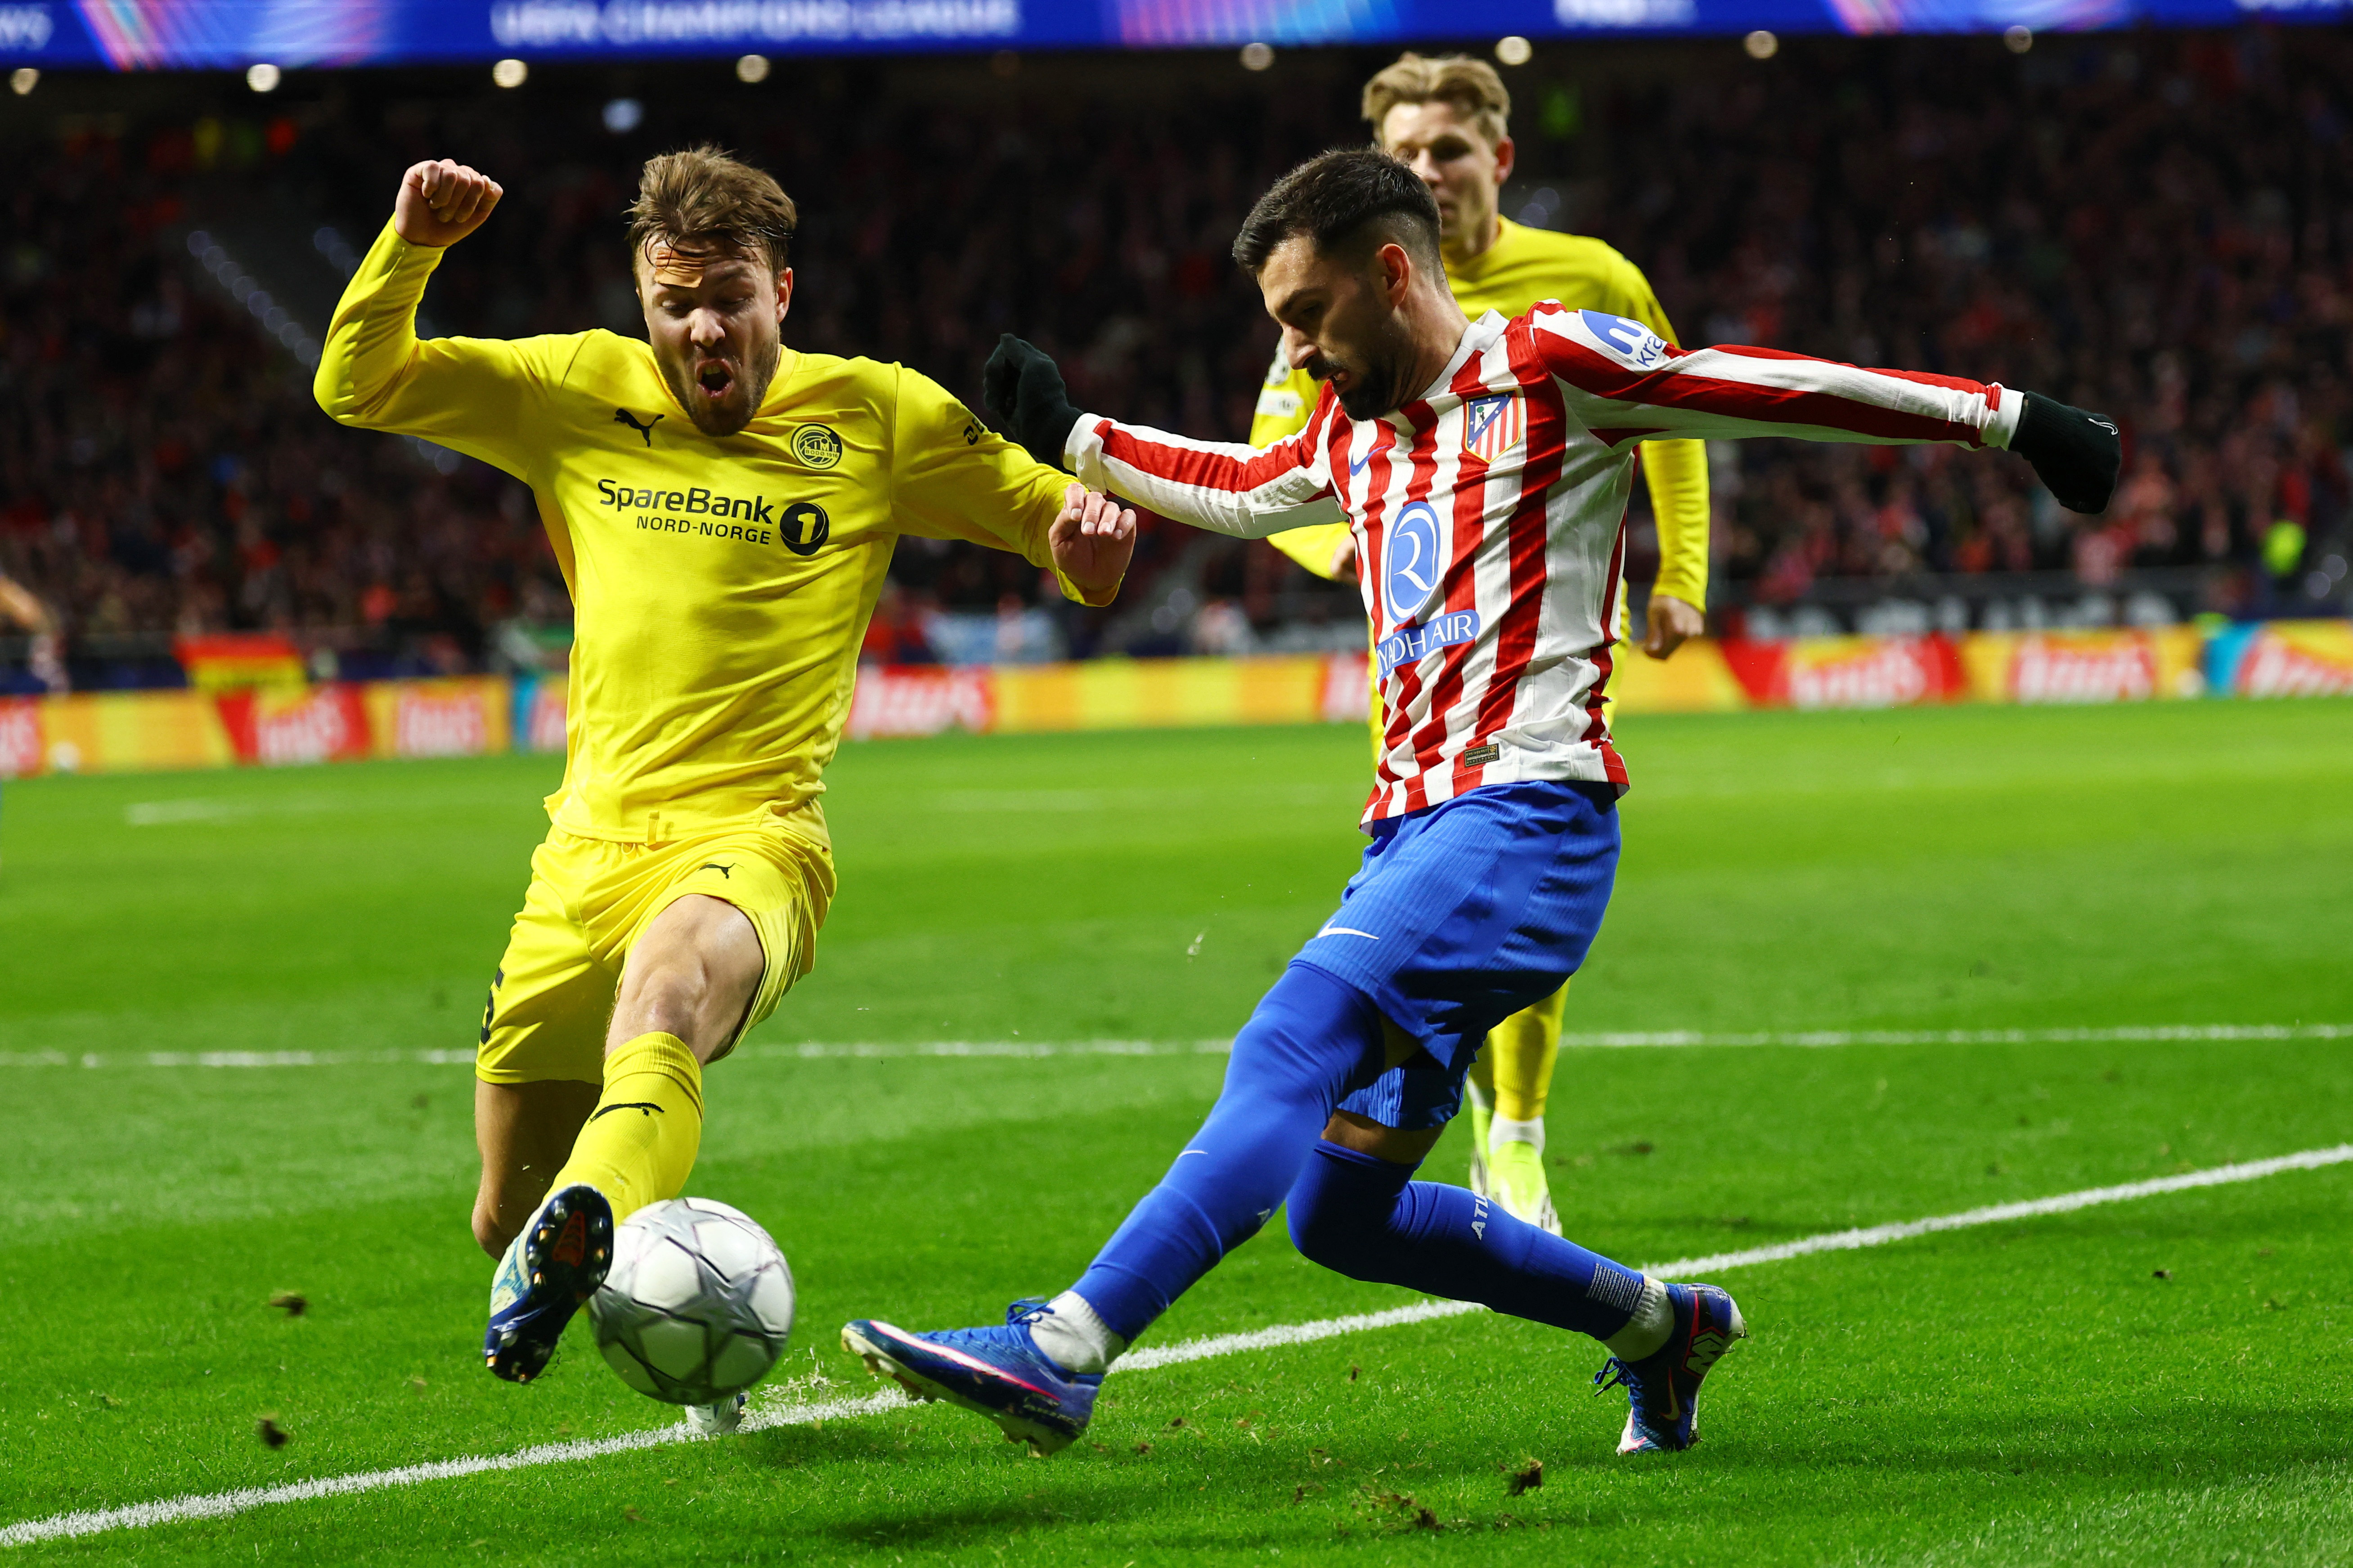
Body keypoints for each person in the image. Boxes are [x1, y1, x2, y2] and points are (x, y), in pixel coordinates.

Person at [843, 149, 2117, 1457]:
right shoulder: (1352, 431)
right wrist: (1076, 438)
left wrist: (2010, 420)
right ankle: (1660, 1328)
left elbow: (1767, 387)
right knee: (1341, 1216)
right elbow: (1241, 487)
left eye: (1307, 315)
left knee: (1293, 1038)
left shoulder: (1558, 366)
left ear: (1392, 272)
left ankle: (1065, 1350)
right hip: (1411, 839)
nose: (1296, 347)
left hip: (1526, 824)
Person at [315, 146, 1136, 1425]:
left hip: (756, 838)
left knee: (667, 995)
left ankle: (594, 1215)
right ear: (645, 302)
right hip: (581, 855)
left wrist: (1090, 537)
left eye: (730, 298)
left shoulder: (877, 414)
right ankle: (640, 1268)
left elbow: (1066, 535)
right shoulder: (574, 387)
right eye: (676, 302)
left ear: (783, 294)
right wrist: (410, 243)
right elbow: (357, 385)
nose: (703, 327)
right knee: (501, 1217)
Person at [1249, 52, 1712, 1235]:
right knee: (1432, 870)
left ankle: (1516, 1131)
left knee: (1519, 855)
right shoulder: (1344, 286)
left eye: (1448, 150)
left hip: (1556, 612)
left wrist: (1683, 575)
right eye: (1405, 153)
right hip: (1414, 624)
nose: (1427, 171)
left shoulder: (1590, 278)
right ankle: (1438, 1113)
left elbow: (1676, 407)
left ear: (1498, 160)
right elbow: (1274, 456)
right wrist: (1338, 550)